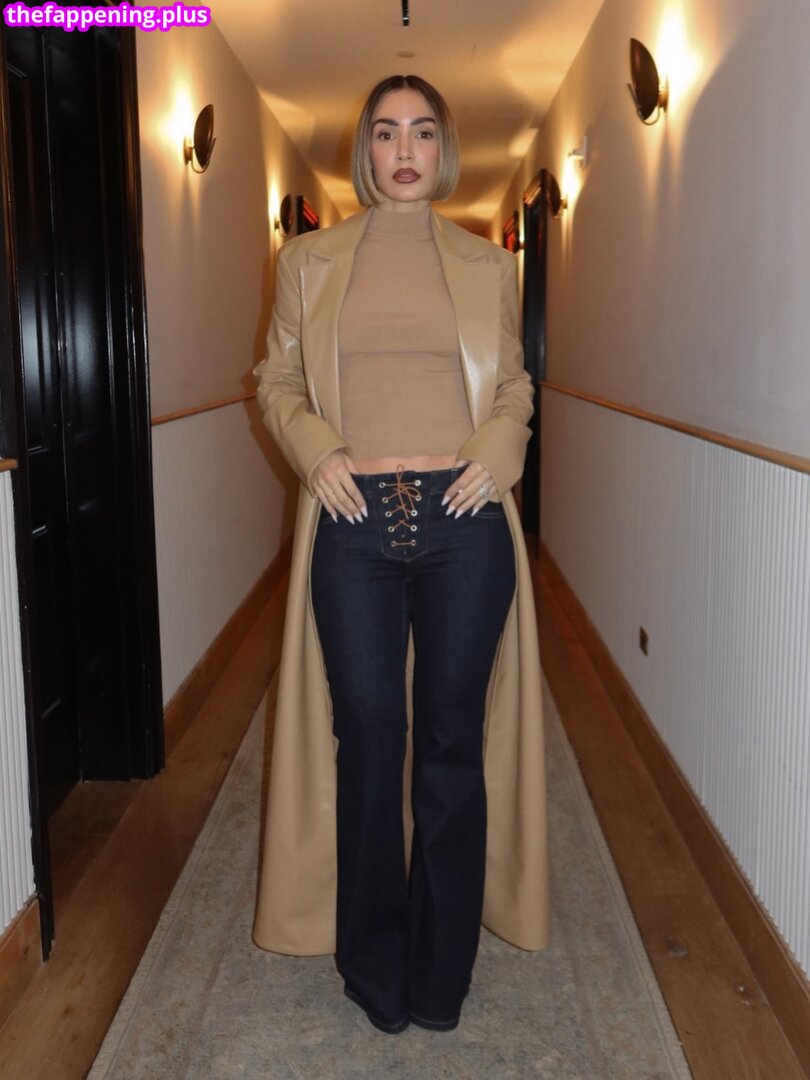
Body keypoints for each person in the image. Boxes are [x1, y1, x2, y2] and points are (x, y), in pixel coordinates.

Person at [252, 74, 548, 1035]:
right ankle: (373, 962)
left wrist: (497, 453)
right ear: (366, 150)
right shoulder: (309, 261)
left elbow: (513, 385)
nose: (404, 149)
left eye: (422, 131)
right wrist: (315, 449)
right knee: (371, 736)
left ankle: (441, 967)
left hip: (465, 518)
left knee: (452, 743)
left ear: (443, 148)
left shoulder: (486, 265)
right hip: (352, 521)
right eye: (386, 132)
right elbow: (276, 380)